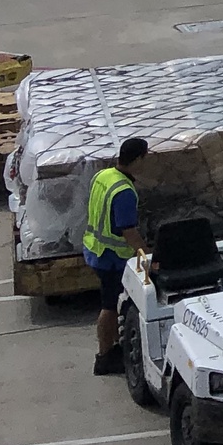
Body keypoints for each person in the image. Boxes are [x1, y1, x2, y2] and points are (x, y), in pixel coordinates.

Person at [83, 138, 148, 376]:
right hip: (111, 258)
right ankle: (104, 357)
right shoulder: (124, 192)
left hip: (94, 248)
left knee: (111, 304)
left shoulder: (103, 176)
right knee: (109, 307)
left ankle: (111, 348)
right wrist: (146, 255)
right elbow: (128, 231)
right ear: (138, 159)